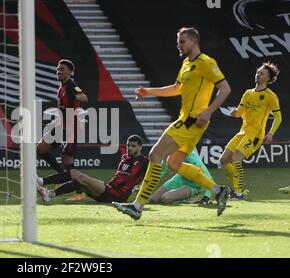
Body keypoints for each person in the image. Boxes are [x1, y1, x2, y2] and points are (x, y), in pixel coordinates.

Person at [112, 27, 232, 220]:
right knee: (174, 163)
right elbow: (177, 88)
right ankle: (217, 190)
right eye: (178, 41)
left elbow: (225, 88)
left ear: (194, 41)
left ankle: (137, 206)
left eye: (182, 41)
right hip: (188, 121)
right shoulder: (186, 63)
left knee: (155, 154)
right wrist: (149, 92)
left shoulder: (206, 62)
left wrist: (208, 111)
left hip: (190, 121)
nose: (179, 44)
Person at [219, 62, 281, 200]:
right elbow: (240, 112)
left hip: (255, 135)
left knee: (236, 158)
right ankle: (234, 188)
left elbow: (278, 117)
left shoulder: (270, 96)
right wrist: (234, 113)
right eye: (258, 72)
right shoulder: (248, 93)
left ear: (268, 78)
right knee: (223, 160)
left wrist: (270, 133)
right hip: (243, 132)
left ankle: (238, 193)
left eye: (262, 73)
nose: (258, 74)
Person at [37, 135, 148, 204]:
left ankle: (42, 183)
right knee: (77, 180)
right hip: (108, 191)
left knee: (78, 175)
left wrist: (139, 187)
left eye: (133, 146)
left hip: (117, 195)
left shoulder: (144, 161)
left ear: (140, 147)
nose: (129, 148)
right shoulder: (125, 159)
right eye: (128, 145)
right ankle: (48, 193)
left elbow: (154, 172)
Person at [36, 59, 88, 189]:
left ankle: (78, 189)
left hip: (71, 129)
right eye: (58, 69)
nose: (59, 71)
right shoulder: (61, 87)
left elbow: (84, 97)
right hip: (60, 126)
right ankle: (62, 176)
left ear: (70, 72)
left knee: (67, 161)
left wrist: (75, 96)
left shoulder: (71, 85)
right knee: (40, 149)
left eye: (62, 69)